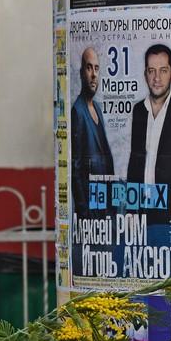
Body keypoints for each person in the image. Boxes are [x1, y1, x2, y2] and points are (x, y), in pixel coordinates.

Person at [126, 44, 171, 230]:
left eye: (163, 71)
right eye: (151, 71)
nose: (157, 78)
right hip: (143, 211)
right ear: (145, 74)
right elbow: (135, 162)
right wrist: (131, 209)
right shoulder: (139, 110)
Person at [70, 46, 114, 218]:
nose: (94, 74)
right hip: (90, 208)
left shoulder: (97, 108)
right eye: (89, 68)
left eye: (96, 68)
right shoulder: (77, 111)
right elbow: (75, 168)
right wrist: (83, 211)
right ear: (82, 73)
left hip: (105, 201)